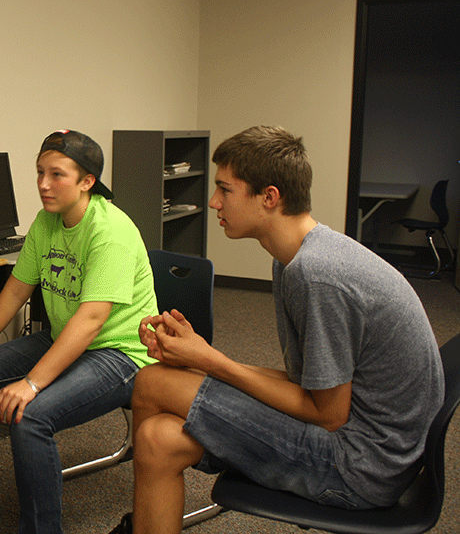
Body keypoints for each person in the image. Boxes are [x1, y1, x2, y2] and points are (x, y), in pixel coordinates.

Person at [107, 125, 445, 534]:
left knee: (154, 383)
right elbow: (311, 387)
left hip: (361, 468)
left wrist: (207, 361)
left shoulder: (317, 275)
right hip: (365, 440)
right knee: (159, 439)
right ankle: (141, 523)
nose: (213, 201)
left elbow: (329, 414)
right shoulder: (298, 256)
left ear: (269, 197)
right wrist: (200, 355)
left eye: (225, 190)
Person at [0, 130, 158, 534]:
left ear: (87, 181)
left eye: (57, 175)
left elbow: (92, 320)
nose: (43, 184)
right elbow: (14, 293)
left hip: (120, 351)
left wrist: (31, 384)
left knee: (30, 416)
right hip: (67, 338)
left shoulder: (110, 231)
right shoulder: (47, 221)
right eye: (40, 172)